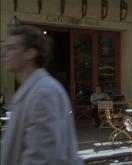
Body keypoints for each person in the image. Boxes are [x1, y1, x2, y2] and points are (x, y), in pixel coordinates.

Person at [1, 25, 83, 164]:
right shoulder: (29, 90)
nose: (4, 53)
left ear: (30, 53)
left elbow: (42, 157)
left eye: (11, 48)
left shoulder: (43, 93)